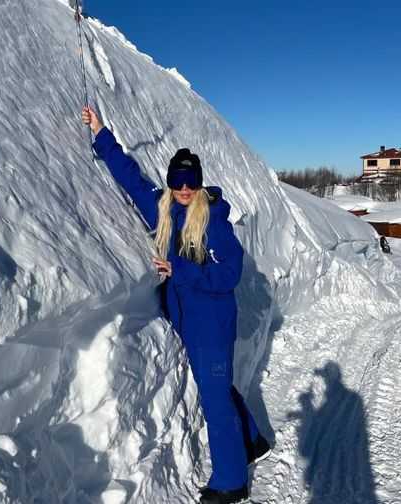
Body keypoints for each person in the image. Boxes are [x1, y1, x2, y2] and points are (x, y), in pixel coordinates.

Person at [82, 106, 271, 504]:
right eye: (178, 181)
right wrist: (100, 133)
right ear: (171, 183)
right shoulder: (165, 209)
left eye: (191, 182)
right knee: (218, 387)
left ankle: (231, 482)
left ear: (199, 184)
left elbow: (229, 275)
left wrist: (180, 271)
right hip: (192, 325)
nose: (184, 189)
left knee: (215, 400)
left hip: (214, 329)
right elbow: (131, 179)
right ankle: (252, 440)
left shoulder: (213, 222)